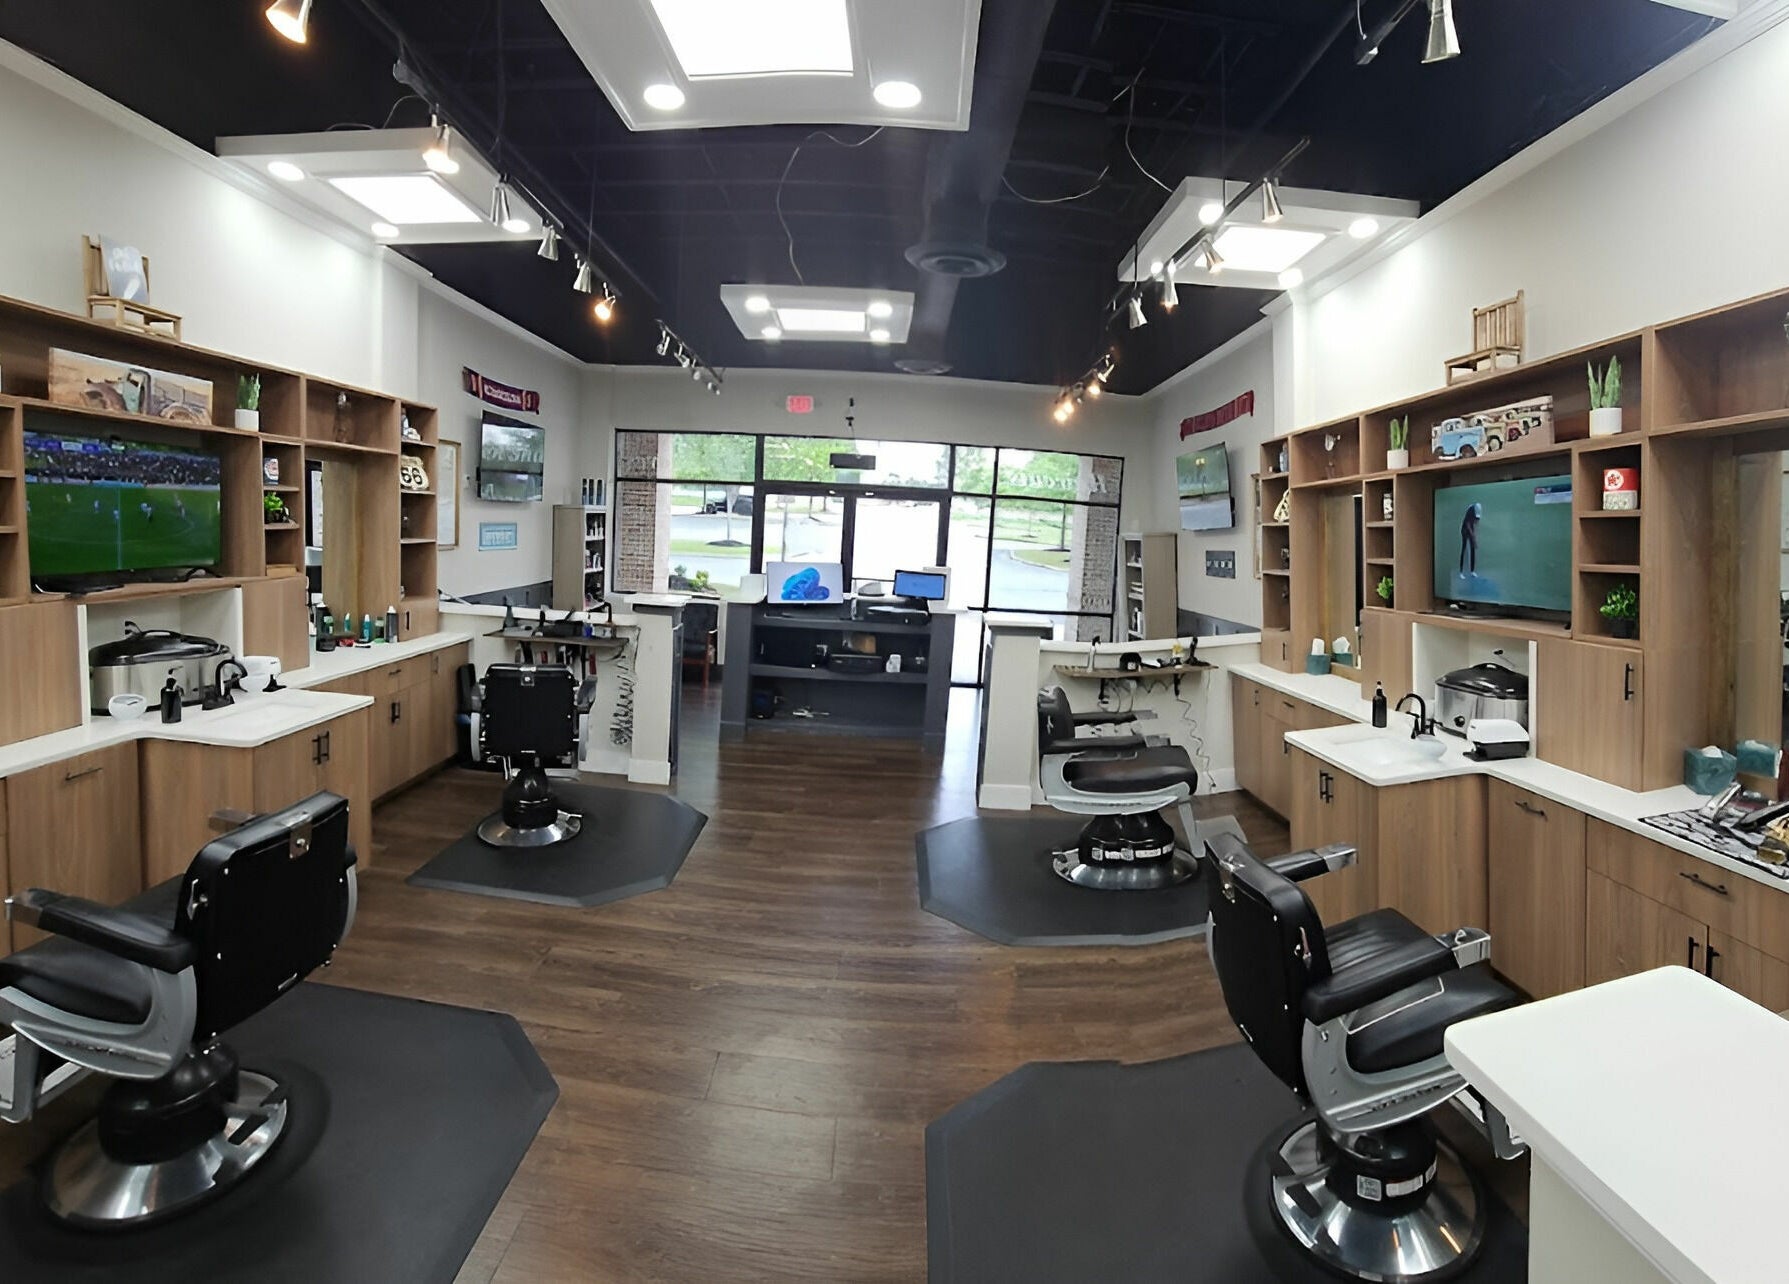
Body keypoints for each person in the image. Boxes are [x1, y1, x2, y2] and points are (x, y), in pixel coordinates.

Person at [1459, 501, 1483, 576]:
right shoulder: (1470, 510)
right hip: (1465, 529)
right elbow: (1468, 525)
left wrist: (1474, 539)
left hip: (1470, 526)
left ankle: (1472, 571)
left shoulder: (1478, 509)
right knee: (1464, 548)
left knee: (1473, 549)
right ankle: (1461, 572)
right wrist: (1473, 537)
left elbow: (1475, 524)